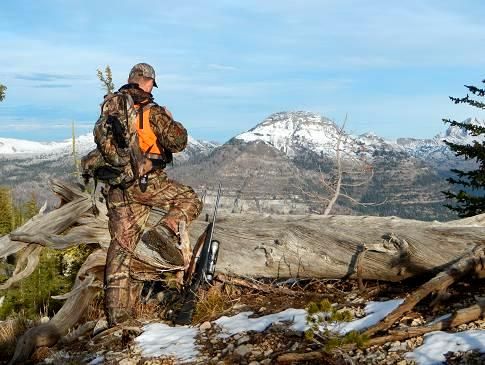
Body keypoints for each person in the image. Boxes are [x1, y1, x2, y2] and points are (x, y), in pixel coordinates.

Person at [102, 63, 203, 326]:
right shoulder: (151, 110)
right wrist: (172, 118)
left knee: (121, 249)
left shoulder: (111, 106)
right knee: (190, 199)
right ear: (147, 82)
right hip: (147, 182)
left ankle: (117, 319)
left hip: (117, 187)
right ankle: (167, 229)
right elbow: (178, 142)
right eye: (151, 83)